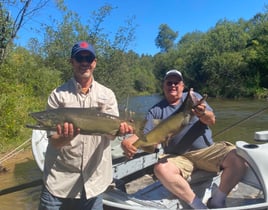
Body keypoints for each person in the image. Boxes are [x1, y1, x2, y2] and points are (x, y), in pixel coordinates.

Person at [121, 69, 248, 209]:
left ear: (182, 86)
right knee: (161, 169)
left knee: (240, 159)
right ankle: (197, 205)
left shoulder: (193, 97)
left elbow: (211, 120)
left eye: (177, 82)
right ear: (164, 86)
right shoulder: (156, 110)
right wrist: (129, 141)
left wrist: (202, 113)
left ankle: (217, 200)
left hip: (206, 151)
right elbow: (145, 133)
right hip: (178, 157)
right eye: (169, 82)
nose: (173, 85)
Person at [38, 41, 133, 210]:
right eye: (79, 58)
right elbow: (53, 141)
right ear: (72, 62)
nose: (84, 63)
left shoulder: (107, 95)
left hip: (94, 181)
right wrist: (66, 136)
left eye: (88, 58)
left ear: (94, 62)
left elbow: (111, 134)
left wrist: (122, 132)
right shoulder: (57, 95)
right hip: (59, 180)